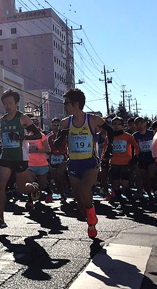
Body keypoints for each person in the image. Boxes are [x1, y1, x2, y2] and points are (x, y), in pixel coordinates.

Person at [54, 88, 114, 238]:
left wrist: (109, 148)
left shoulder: (93, 120)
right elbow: (56, 144)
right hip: (74, 164)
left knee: (84, 189)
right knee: (79, 200)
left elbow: (110, 130)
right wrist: (62, 136)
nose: (64, 106)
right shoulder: (65, 123)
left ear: (76, 104)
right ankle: (89, 214)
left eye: (66, 103)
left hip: (90, 163)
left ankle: (92, 220)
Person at [0, 90, 42, 229]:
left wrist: (23, 138)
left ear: (17, 103)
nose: (7, 106)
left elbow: (37, 135)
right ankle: (0, 218)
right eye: (5, 104)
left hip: (20, 157)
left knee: (21, 189)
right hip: (6, 157)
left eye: (10, 103)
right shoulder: (2, 120)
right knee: (0, 187)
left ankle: (34, 188)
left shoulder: (23, 118)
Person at [105, 117, 139, 208]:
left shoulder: (128, 136)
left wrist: (136, 156)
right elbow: (105, 150)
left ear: (122, 126)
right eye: (114, 124)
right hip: (114, 163)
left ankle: (130, 198)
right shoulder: (109, 137)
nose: (116, 126)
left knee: (124, 183)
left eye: (118, 124)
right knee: (115, 184)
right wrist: (103, 159)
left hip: (126, 163)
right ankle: (121, 202)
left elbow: (136, 146)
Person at [25, 115, 52, 208]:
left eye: (35, 124)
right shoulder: (27, 137)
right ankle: (30, 201)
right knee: (30, 183)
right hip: (30, 164)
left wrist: (37, 150)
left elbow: (48, 150)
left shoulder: (42, 136)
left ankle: (49, 192)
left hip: (42, 164)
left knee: (42, 185)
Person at [133, 117, 157, 203]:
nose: (140, 125)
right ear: (136, 126)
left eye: (141, 123)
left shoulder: (152, 133)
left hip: (152, 157)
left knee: (151, 175)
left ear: (145, 124)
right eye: (138, 124)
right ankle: (149, 194)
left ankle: (155, 189)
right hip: (141, 158)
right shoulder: (135, 136)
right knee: (144, 178)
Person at [47, 117, 68, 201]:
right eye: (54, 125)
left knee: (61, 172)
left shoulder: (65, 135)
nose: (56, 127)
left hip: (63, 157)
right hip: (53, 157)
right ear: (51, 126)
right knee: (56, 177)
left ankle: (66, 183)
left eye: (58, 125)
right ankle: (62, 194)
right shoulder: (49, 136)